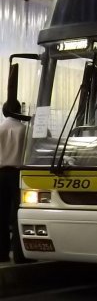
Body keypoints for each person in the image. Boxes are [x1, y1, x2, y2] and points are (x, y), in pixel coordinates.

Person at [0, 99, 29, 263]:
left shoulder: (0, 128)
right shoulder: (24, 129)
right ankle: (20, 254)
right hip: (19, 174)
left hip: (0, 174)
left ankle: (1, 253)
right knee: (18, 214)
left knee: (1, 214)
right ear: (18, 111)